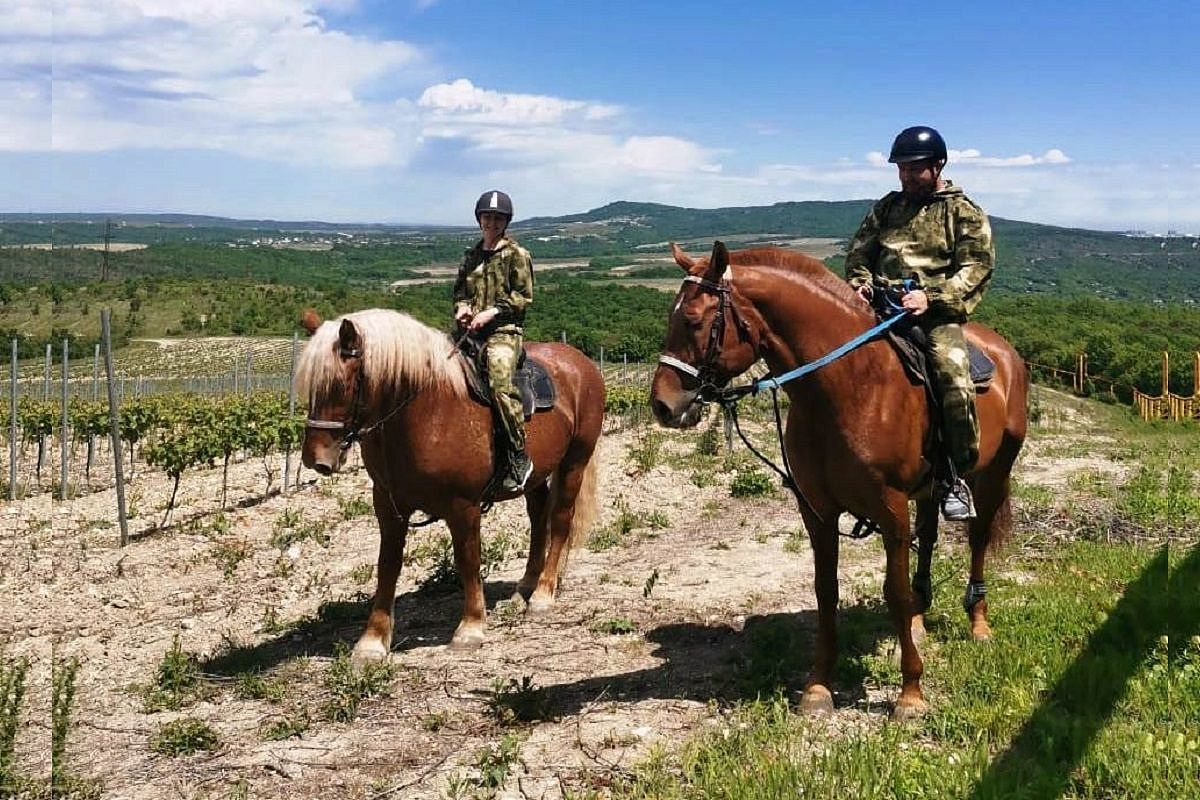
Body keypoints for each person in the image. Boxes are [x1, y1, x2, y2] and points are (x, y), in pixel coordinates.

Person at [844, 126, 994, 521]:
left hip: (934, 316)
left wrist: (932, 298)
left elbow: (976, 267)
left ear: (938, 165)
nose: (906, 177)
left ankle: (956, 475)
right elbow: (859, 253)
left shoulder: (964, 212)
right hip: (879, 307)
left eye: (914, 169)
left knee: (953, 377)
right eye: (902, 169)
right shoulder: (887, 208)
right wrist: (860, 284)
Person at [453, 190, 536, 494]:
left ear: (505, 222)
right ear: (479, 220)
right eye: (486, 217)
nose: (491, 222)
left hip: (504, 332)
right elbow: (460, 292)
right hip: (469, 331)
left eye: (497, 218)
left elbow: (523, 297)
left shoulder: (517, 255)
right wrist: (462, 309)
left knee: (500, 382)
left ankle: (518, 454)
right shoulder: (471, 255)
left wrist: (490, 313)